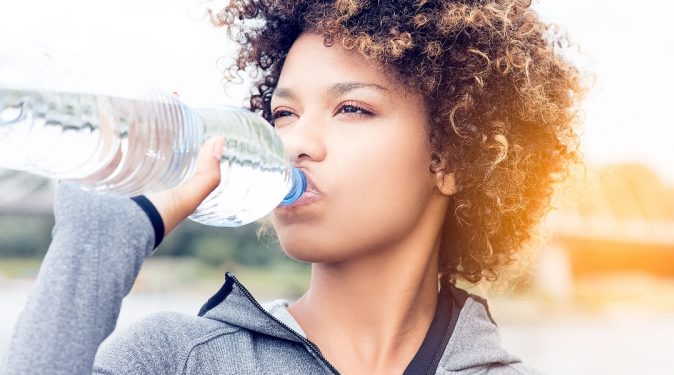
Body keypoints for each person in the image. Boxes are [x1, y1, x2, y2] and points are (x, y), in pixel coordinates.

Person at [2, 0, 582, 373]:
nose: (296, 143)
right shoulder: (177, 359)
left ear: (452, 155)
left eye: (352, 108)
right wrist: (98, 240)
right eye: (282, 114)